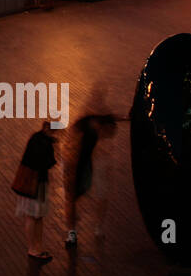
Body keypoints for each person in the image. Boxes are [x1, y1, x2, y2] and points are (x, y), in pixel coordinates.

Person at [65, 112, 118, 250]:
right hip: (78, 165)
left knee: (98, 195)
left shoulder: (93, 126)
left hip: (85, 164)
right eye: (110, 132)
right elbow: (72, 149)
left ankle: (84, 229)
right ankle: (73, 231)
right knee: (72, 198)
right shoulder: (85, 132)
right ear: (104, 127)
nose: (110, 135)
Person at [14, 121, 58, 263]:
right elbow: (48, 162)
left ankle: (36, 247)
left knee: (35, 216)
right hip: (36, 184)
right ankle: (34, 249)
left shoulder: (36, 138)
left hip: (30, 182)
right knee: (34, 216)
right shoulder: (44, 143)